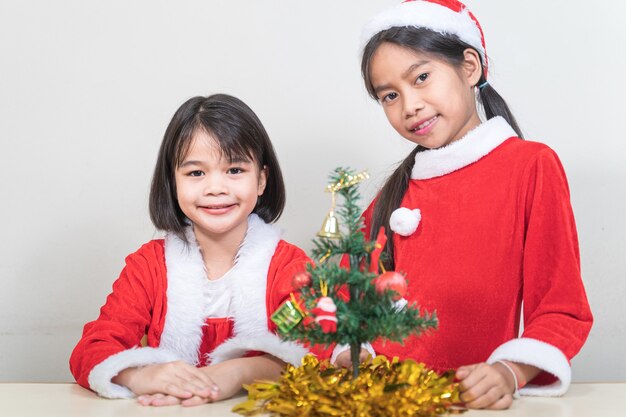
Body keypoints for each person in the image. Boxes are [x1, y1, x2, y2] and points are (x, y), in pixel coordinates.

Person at [338, 0, 593, 410]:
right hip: (385, 404)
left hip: (468, 405)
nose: (409, 106)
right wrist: (349, 351)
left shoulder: (530, 167)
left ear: (469, 66)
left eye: (421, 77)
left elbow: (563, 310)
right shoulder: (391, 197)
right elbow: (344, 302)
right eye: (389, 95)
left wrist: (510, 371)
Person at [70, 94, 311, 407]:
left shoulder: (289, 266)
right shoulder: (149, 265)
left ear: (261, 180)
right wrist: (141, 376)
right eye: (196, 173)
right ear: (173, 182)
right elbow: (93, 347)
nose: (215, 188)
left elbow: (316, 351)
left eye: (235, 170)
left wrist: (240, 371)